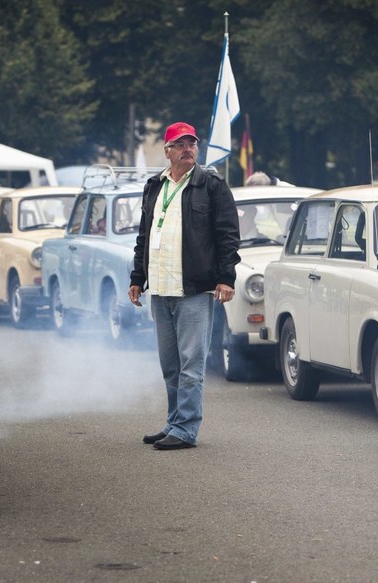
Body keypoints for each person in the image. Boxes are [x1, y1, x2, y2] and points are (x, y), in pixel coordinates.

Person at [128, 121, 241, 450]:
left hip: (193, 288)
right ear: (167, 152)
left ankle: (186, 429)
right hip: (161, 289)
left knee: (192, 364)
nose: (188, 148)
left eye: (192, 143)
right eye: (180, 144)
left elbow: (227, 236)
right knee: (171, 364)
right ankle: (174, 422)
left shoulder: (212, 186)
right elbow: (144, 237)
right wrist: (138, 278)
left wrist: (226, 278)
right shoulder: (154, 186)